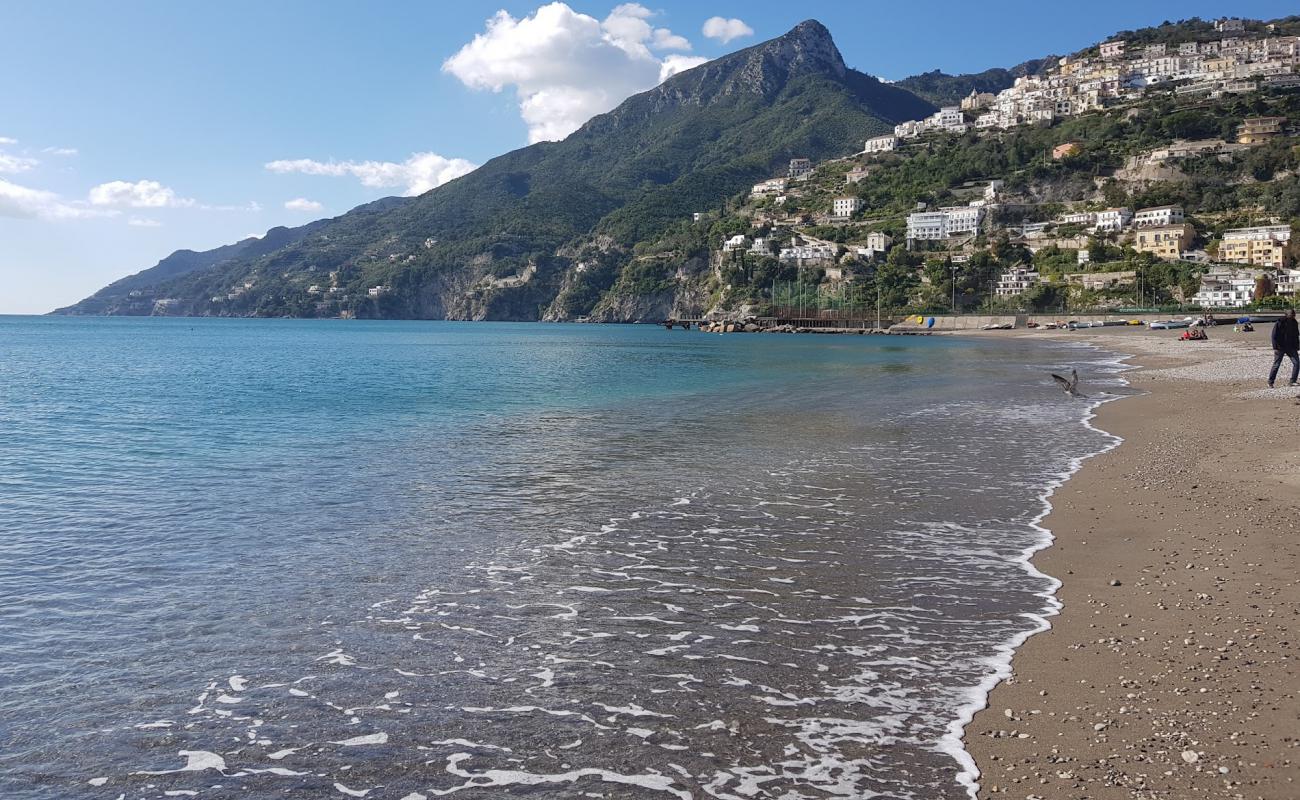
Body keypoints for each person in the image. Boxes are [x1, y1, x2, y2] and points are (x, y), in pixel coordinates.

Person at [1268, 309, 1299, 388]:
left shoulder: (1294, 323)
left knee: (1297, 363)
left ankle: (1293, 381)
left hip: (1291, 347)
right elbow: (1274, 335)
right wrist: (1275, 347)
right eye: (1292, 314)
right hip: (1280, 347)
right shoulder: (1280, 322)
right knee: (1276, 365)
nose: (1293, 315)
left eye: (1294, 314)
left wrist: (1297, 345)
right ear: (1287, 314)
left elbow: (1296, 335)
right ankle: (1270, 382)